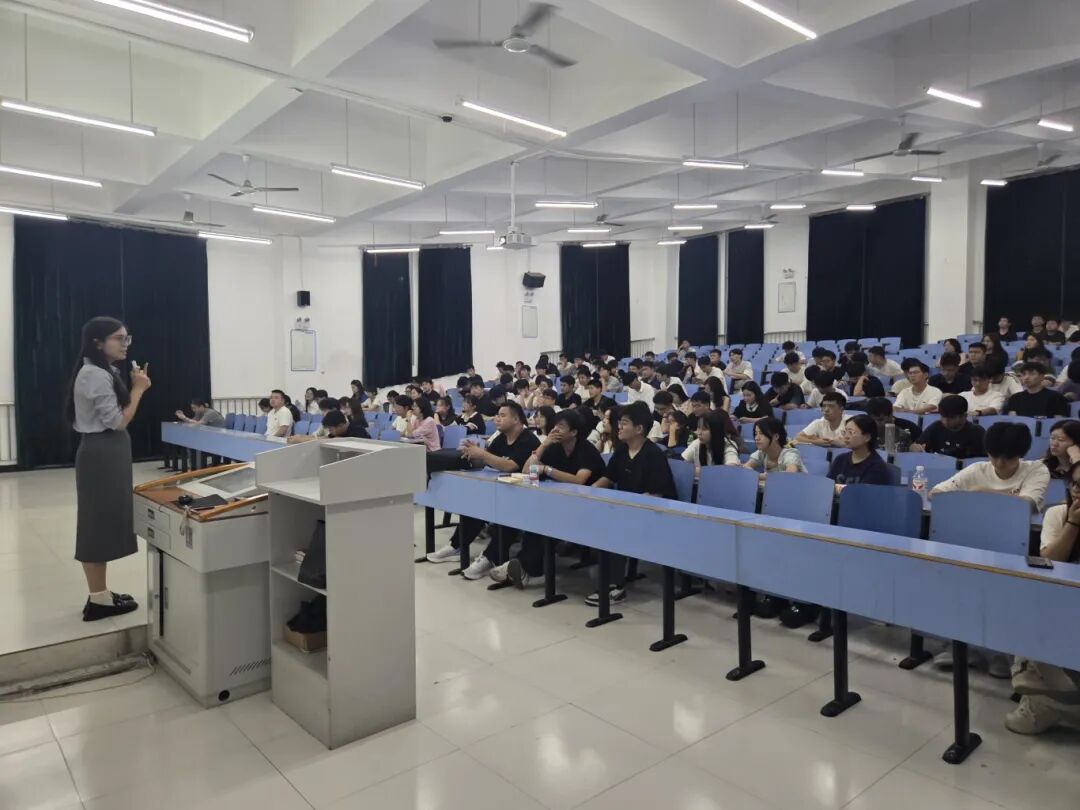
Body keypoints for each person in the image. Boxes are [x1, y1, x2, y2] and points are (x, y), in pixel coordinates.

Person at [67, 317, 146, 621]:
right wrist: (138, 389)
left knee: (106, 520)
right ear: (97, 342)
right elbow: (117, 421)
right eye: (118, 338)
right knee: (96, 524)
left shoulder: (103, 371)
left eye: (128, 338)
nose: (125, 344)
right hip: (102, 453)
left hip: (109, 452)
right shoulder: (94, 375)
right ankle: (98, 599)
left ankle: (100, 593)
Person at [491, 410, 608, 589]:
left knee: (545, 521)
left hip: (588, 506)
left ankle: (522, 568)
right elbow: (527, 471)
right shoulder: (554, 447)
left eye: (561, 426)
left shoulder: (587, 450)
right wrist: (544, 445)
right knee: (533, 518)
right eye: (555, 425)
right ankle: (524, 568)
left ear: (574, 432)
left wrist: (546, 469)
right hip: (558, 503)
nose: (555, 429)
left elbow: (579, 480)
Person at [1005, 460, 1080, 735]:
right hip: (1062, 597)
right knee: (1027, 592)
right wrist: (1073, 524)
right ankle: (1039, 687)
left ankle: (1049, 694)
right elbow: (1050, 562)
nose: (1079, 491)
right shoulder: (1058, 514)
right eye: (1076, 484)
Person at [426, 402, 541, 577]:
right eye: (497, 415)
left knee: (506, 517)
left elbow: (510, 466)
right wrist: (472, 453)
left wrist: (483, 454)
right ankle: (456, 546)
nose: (497, 419)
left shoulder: (528, 440)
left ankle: (490, 557)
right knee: (475, 506)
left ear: (516, 419)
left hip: (525, 496)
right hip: (501, 490)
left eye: (502, 415)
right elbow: (485, 461)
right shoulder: (501, 438)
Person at [590, 402, 678, 604]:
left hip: (654, 513)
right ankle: (607, 579)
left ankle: (615, 586)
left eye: (624, 423)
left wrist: (627, 508)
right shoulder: (622, 451)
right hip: (628, 510)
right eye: (619, 422)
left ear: (639, 429)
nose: (619, 427)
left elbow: (657, 494)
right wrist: (588, 493)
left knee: (614, 529)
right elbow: (608, 478)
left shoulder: (653, 455)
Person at [929, 422, 1049, 511]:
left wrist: (982, 494)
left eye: (1008, 458)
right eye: (994, 456)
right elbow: (935, 493)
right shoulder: (977, 469)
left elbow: (1028, 504)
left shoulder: (1036, 470)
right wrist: (966, 499)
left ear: (1021, 454)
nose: (1000, 463)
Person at [911, 395, 986, 459]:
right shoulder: (936, 427)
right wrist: (915, 448)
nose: (945, 421)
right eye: (943, 416)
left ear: (964, 416)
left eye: (951, 418)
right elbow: (918, 445)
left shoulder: (977, 432)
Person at [828, 415, 892, 486]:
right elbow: (827, 487)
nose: (846, 436)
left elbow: (863, 492)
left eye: (851, 432)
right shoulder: (840, 459)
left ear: (867, 437)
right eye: (845, 432)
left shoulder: (877, 467)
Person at [683, 410, 740, 474]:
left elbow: (730, 469)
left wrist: (698, 472)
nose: (699, 433)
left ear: (715, 430)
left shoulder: (728, 445)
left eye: (704, 429)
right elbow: (683, 465)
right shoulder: (697, 443)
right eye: (698, 428)